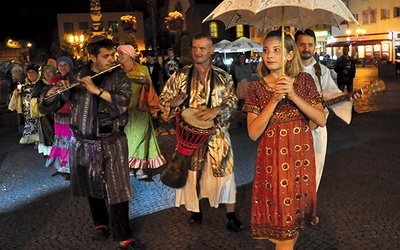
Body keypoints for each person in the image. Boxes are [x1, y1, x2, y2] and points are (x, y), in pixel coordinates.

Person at [41, 36, 141, 249]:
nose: (111, 59)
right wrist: (52, 91)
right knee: (92, 184)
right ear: (92, 57)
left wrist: (97, 91)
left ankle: (124, 234)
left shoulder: (118, 75)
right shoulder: (76, 75)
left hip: (112, 141)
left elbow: (124, 101)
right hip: (84, 142)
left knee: (117, 187)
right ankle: (100, 224)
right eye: (106, 56)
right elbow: (51, 104)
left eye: (112, 55)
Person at [242, 29, 326, 249]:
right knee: (283, 231)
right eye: (266, 50)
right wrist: (274, 100)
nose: (269, 55)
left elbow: (321, 118)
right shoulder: (256, 88)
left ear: (290, 55)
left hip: (300, 161)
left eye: (277, 50)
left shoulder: (305, 81)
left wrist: (294, 96)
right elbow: (253, 133)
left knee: (292, 227)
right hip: (274, 166)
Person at [158, 33, 243, 232]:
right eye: (195, 48)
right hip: (189, 139)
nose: (197, 52)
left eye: (202, 48)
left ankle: (231, 215)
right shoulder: (180, 76)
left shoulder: (224, 76)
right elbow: (163, 99)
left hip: (218, 136)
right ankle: (195, 211)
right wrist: (172, 103)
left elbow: (232, 102)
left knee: (225, 175)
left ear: (211, 51)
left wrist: (218, 110)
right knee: (192, 173)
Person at [294, 29, 360, 191]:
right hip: (293, 128)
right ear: (295, 46)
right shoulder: (288, 70)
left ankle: (309, 206)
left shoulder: (321, 70)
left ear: (315, 46)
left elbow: (330, 93)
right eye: (302, 44)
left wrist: (345, 97)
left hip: (316, 127)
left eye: (310, 44)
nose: (306, 48)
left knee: (316, 166)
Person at [117, 44, 166, 180]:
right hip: (124, 112)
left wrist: (145, 83)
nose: (119, 56)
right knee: (127, 140)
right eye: (119, 54)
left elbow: (151, 89)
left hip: (140, 111)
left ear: (131, 56)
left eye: (122, 54)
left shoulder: (142, 69)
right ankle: (131, 167)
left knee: (139, 139)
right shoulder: (118, 71)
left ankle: (139, 168)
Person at [44, 56, 74, 179]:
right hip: (59, 114)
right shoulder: (55, 81)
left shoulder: (75, 79)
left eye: (65, 65)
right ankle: (62, 165)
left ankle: (70, 166)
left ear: (70, 66)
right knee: (61, 139)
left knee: (70, 139)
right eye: (60, 65)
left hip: (71, 113)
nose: (62, 67)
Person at [32, 64, 58, 156]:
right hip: (45, 112)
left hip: (56, 110)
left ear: (54, 73)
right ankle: (50, 152)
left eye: (49, 72)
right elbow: (33, 98)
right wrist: (41, 99)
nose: (47, 74)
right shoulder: (40, 84)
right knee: (48, 132)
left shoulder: (58, 82)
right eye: (45, 72)